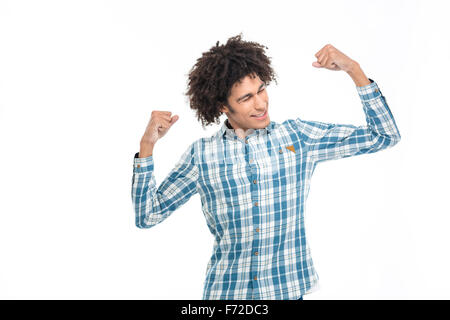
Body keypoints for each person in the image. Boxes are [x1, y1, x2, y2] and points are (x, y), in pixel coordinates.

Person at [131, 33, 401, 300]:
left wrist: (354, 70)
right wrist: (147, 146)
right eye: (246, 98)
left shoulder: (298, 137)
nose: (261, 104)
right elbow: (148, 215)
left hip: (287, 291)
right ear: (223, 106)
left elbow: (384, 136)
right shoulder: (201, 155)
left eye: (261, 90)